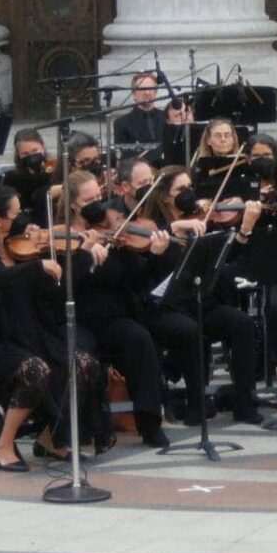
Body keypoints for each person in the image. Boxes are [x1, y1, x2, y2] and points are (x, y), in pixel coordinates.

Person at [0, 185, 104, 470]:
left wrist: (81, 255)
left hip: (31, 334)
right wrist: (34, 269)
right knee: (36, 370)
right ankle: (4, 447)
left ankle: (51, 437)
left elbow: (54, 295)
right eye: (15, 213)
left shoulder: (22, 249)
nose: (22, 219)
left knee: (84, 363)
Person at [143, 166, 264, 426]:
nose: (188, 194)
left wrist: (244, 230)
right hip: (168, 308)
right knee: (189, 329)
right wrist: (167, 237)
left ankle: (245, 402)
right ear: (165, 197)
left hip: (199, 300)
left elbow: (222, 260)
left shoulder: (201, 219)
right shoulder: (156, 226)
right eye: (180, 190)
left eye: (190, 187)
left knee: (241, 323)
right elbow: (148, 274)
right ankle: (196, 403)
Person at [66, 166, 171, 447]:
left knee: (139, 339)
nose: (98, 206)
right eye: (89, 202)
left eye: (99, 197)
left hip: (113, 316)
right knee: (83, 354)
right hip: (80, 318)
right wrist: (85, 257)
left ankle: (149, 423)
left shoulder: (115, 230)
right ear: (74, 204)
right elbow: (63, 286)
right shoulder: (65, 237)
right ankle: (91, 427)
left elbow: (137, 280)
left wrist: (154, 256)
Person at [114, 72, 163, 146]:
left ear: (155, 93)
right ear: (134, 94)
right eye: (142, 89)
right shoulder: (121, 123)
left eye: (150, 89)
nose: (147, 92)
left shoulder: (167, 118)